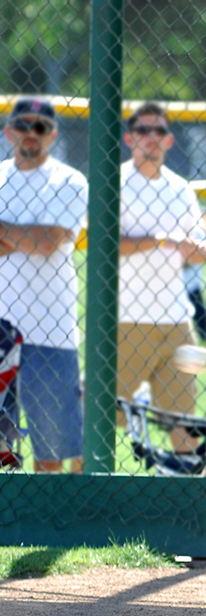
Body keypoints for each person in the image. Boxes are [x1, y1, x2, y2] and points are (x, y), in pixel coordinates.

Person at [0, 97, 89, 473]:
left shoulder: (69, 180)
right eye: (23, 125)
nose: (30, 133)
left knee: (51, 448)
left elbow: (51, 241)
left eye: (40, 127)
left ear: (52, 135)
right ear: (8, 131)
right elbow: (40, 239)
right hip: (1, 320)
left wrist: (11, 235)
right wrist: (30, 237)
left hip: (50, 330)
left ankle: (51, 524)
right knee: (2, 446)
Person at [117, 102, 206, 454]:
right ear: (129, 138)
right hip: (127, 318)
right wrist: (160, 240)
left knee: (184, 428)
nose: (151, 138)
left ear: (170, 140)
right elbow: (105, 245)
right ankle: (86, 500)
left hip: (176, 320)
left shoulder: (180, 188)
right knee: (101, 418)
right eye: (143, 130)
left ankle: (186, 502)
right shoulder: (116, 183)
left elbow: (200, 248)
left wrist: (194, 249)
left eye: (158, 131)